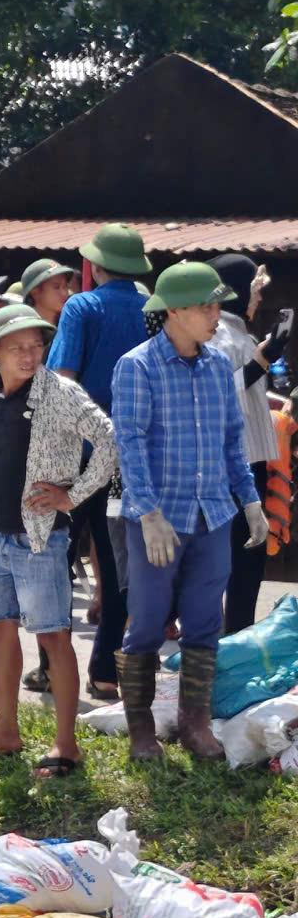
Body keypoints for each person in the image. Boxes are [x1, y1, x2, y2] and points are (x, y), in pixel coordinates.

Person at [0, 304, 115, 779]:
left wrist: (74, 496)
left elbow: (108, 439)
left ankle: (67, 745)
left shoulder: (60, 392)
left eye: (36, 345)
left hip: (41, 538)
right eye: (18, 347)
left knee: (52, 636)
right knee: (0, 631)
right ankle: (6, 732)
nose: (29, 355)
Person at [111, 260, 264, 762]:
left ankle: (195, 725)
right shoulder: (137, 365)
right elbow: (128, 444)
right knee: (149, 622)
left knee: (204, 622)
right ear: (174, 310)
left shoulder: (220, 365)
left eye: (217, 305)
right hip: (158, 519)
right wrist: (150, 514)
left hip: (213, 514)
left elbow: (231, 442)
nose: (215, 315)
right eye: (206, 306)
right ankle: (141, 731)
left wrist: (251, 501)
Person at [45, 224, 155, 700]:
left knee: (58, 560)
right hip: (132, 456)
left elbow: (63, 379)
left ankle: (53, 668)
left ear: (96, 264)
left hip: (81, 452)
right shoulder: (154, 310)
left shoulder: (81, 306)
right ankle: (106, 671)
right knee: (116, 565)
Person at [210, 253, 281, 634]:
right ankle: (231, 637)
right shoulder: (219, 334)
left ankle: (237, 636)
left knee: (247, 560)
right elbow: (217, 396)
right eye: (254, 290)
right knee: (239, 560)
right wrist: (258, 364)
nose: (258, 298)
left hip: (247, 461)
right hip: (231, 465)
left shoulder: (238, 332)